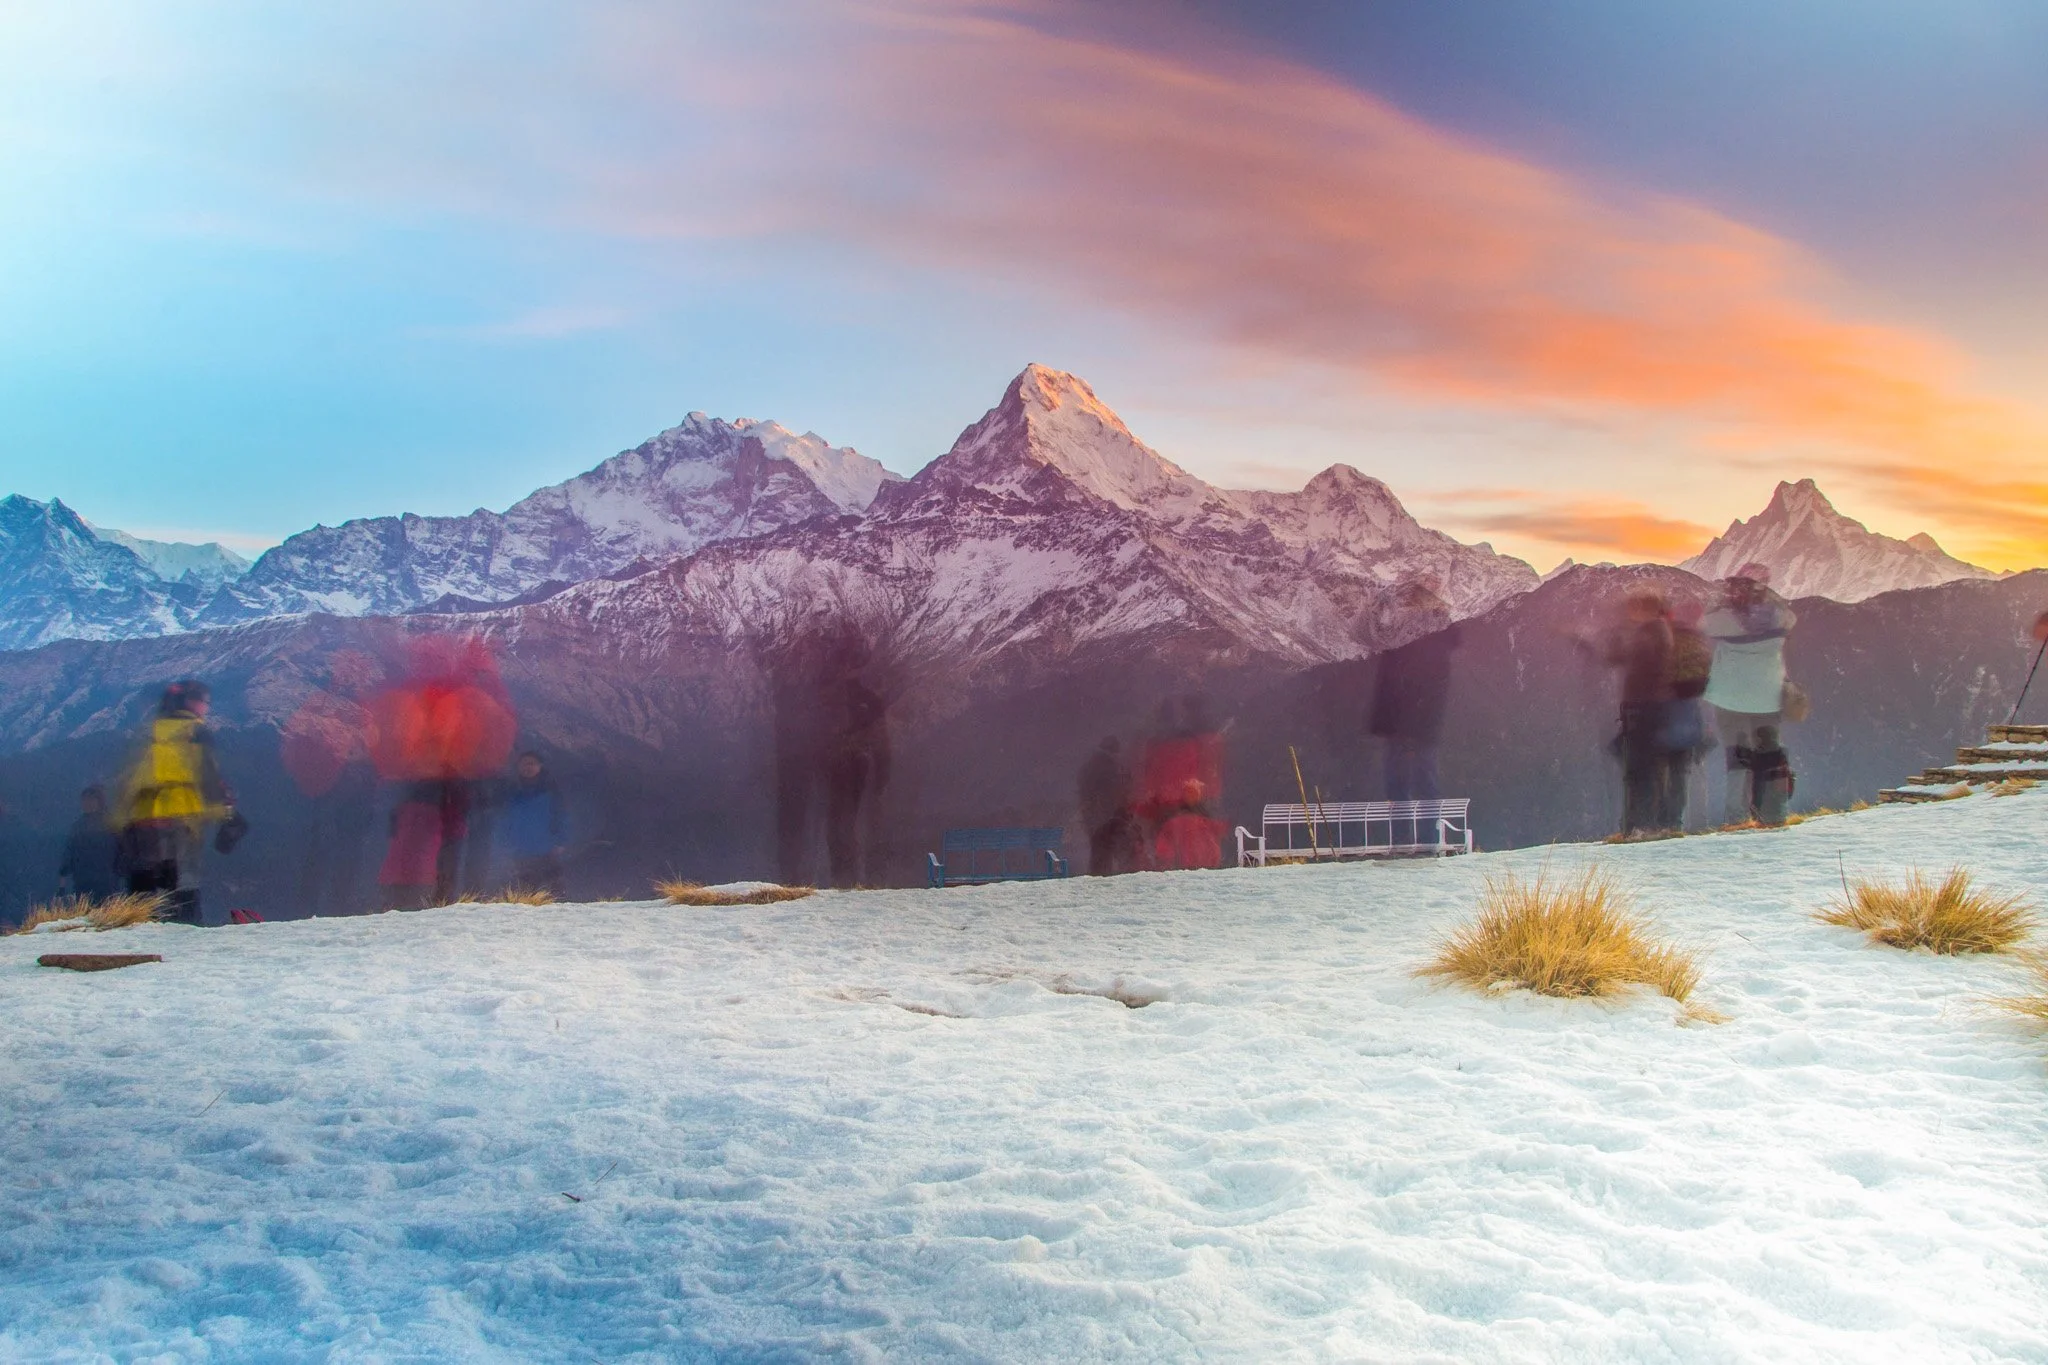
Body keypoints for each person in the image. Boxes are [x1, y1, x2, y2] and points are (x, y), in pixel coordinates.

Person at [114, 680, 235, 925]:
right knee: (183, 882)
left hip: (143, 818)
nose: (206, 707)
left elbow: (130, 776)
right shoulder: (196, 732)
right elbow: (208, 778)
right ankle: (187, 932)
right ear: (191, 702)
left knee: (144, 881)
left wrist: (121, 819)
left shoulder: (150, 731)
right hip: (181, 816)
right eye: (204, 701)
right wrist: (226, 813)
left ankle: (137, 928)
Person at [1702, 564, 1797, 826]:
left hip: (1729, 698)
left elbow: (1705, 623)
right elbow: (1791, 620)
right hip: (1768, 695)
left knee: (1738, 756)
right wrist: (1770, 597)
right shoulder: (1778, 616)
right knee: (1770, 752)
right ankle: (1773, 814)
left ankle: (1737, 819)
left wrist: (1726, 599)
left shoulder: (1725, 617)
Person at [1583, 587, 1678, 837]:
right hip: (1651, 709)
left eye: (1636, 606)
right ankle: (1644, 824)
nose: (1630, 611)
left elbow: (1620, 658)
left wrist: (1613, 642)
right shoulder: (1658, 631)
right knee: (1644, 768)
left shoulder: (1652, 633)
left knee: (1639, 769)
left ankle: (1639, 826)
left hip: (1644, 709)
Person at [1369, 583, 1460, 803]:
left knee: (1404, 783)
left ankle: (1408, 836)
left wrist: (1394, 723)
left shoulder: (1415, 644)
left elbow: (1395, 685)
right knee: (1422, 782)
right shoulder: (1435, 644)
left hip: (1404, 725)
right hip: (1417, 725)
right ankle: (1425, 835)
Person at [498, 752, 567, 895]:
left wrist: (560, 841)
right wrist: (505, 843)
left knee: (555, 889)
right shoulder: (511, 789)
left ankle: (558, 916)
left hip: (547, 847)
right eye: (524, 763)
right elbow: (504, 819)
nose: (528, 767)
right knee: (526, 890)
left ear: (540, 766)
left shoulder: (551, 788)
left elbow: (561, 815)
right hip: (522, 848)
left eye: (532, 763)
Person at [1077, 736, 1134, 875]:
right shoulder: (1109, 766)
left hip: (1095, 817)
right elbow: (1115, 791)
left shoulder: (1091, 765)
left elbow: (1084, 790)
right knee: (1107, 850)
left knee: (1099, 851)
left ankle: (1099, 877)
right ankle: (1105, 878)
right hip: (1106, 815)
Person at [57, 785, 121, 902]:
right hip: (83, 882)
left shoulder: (111, 825)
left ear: (99, 801)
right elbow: (69, 853)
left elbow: (120, 851)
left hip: (106, 882)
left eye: (91, 800)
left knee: (107, 913)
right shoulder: (78, 827)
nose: (87, 803)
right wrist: (63, 878)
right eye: (85, 800)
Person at [1735, 725, 1795, 827]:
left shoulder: (1762, 753)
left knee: (1767, 819)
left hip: (1767, 801)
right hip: (1776, 804)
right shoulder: (1779, 751)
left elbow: (1754, 765)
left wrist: (1742, 750)